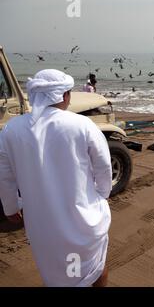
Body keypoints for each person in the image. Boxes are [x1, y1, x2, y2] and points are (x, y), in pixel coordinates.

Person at [0, 69, 112, 287]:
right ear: (64, 95)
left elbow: (5, 175)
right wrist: (102, 195)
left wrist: (11, 207)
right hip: (83, 219)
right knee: (93, 268)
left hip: (42, 222)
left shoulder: (11, 130)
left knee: (57, 269)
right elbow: (104, 167)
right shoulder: (82, 125)